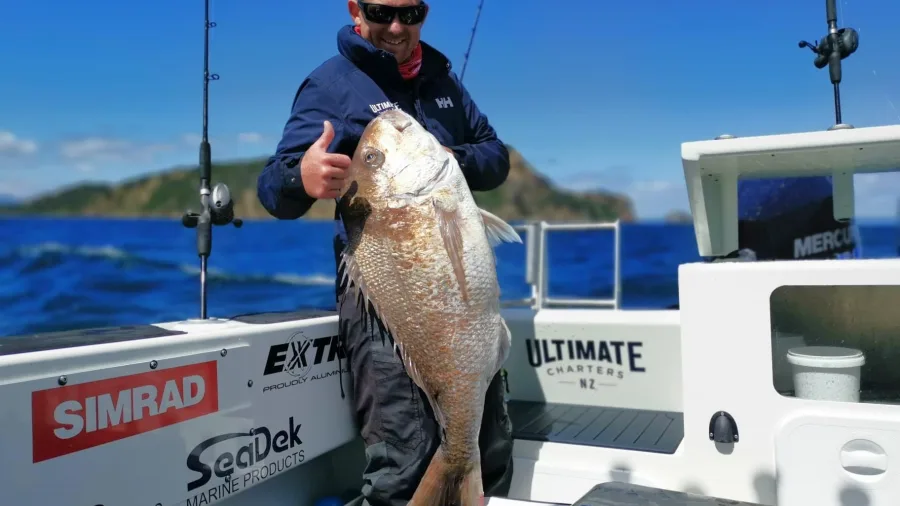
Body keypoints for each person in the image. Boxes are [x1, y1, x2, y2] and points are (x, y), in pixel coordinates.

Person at [256, 1, 514, 505]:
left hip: (462, 302)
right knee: (404, 462)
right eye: (380, 11)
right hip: (388, 298)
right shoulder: (330, 84)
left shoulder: (442, 80)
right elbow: (274, 185)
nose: (396, 27)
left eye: (411, 12)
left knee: (488, 445)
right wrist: (301, 178)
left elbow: (495, 157)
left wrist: (451, 159)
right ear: (356, 9)